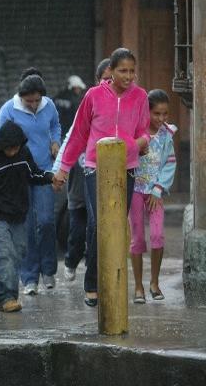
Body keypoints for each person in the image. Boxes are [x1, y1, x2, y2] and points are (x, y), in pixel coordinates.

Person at [53, 48, 150, 307]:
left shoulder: (140, 97)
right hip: (95, 168)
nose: (128, 76)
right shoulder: (93, 96)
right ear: (112, 72)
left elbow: (144, 132)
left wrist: (137, 142)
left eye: (132, 71)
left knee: (118, 224)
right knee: (98, 223)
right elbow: (78, 135)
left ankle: (114, 278)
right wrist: (62, 168)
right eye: (122, 71)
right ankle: (93, 282)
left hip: (126, 169)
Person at [0, 69, 61, 295]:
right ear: (21, 96)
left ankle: (49, 269)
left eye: (37, 100)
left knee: (45, 221)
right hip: (20, 175)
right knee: (26, 226)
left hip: (43, 171)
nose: (34, 104)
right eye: (29, 101)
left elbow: (55, 125)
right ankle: (30, 276)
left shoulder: (49, 106)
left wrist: (55, 141)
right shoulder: (8, 110)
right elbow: (2, 141)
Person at [0, 121, 54, 312]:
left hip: (19, 214)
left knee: (18, 253)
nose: (13, 151)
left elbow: (33, 174)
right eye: (9, 148)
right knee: (4, 255)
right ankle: (7, 297)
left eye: (16, 147)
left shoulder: (23, 154)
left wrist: (49, 177)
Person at [53, 59, 113, 282]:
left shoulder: (124, 103)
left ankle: (94, 266)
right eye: (106, 79)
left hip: (110, 174)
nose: (111, 84)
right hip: (83, 171)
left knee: (98, 222)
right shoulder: (88, 101)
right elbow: (72, 136)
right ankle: (74, 261)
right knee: (81, 219)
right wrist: (60, 169)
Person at [129, 89, 177, 303]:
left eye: (165, 114)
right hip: (136, 192)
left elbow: (169, 164)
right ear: (146, 112)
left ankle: (154, 283)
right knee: (137, 238)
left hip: (155, 193)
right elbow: (127, 156)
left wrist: (158, 189)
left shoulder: (167, 135)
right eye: (156, 114)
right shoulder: (136, 132)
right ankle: (138, 286)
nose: (161, 118)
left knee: (157, 236)